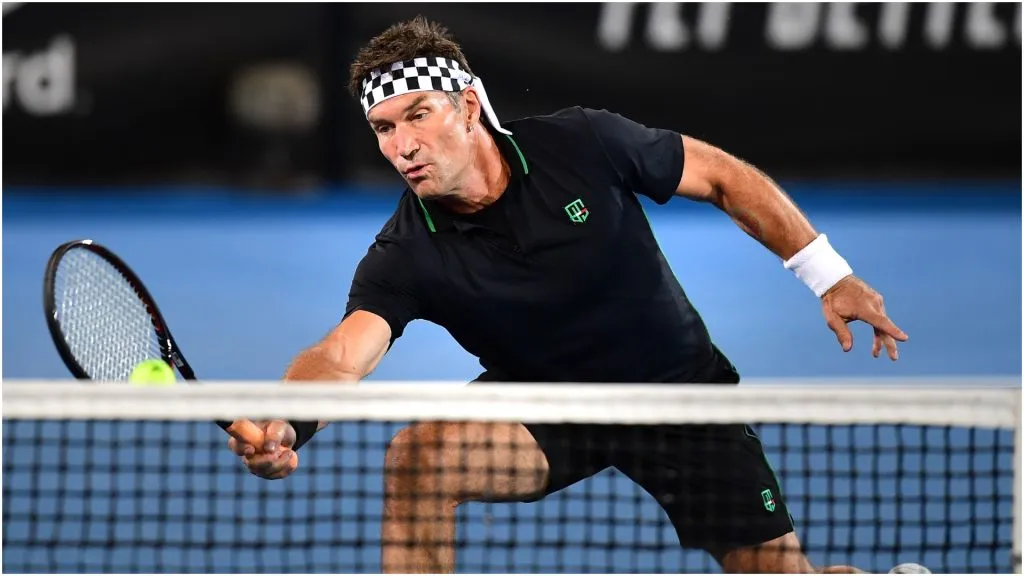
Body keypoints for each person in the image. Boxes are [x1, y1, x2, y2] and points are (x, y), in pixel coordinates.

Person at [227, 16, 920, 575]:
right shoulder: (406, 251)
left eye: (418, 115)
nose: (403, 145)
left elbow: (721, 177)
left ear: (467, 106)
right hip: (548, 406)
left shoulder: (583, 143)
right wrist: (290, 420)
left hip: (679, 395)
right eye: (384, 129)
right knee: (418, 459)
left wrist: (828, 275)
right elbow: (342, 355)